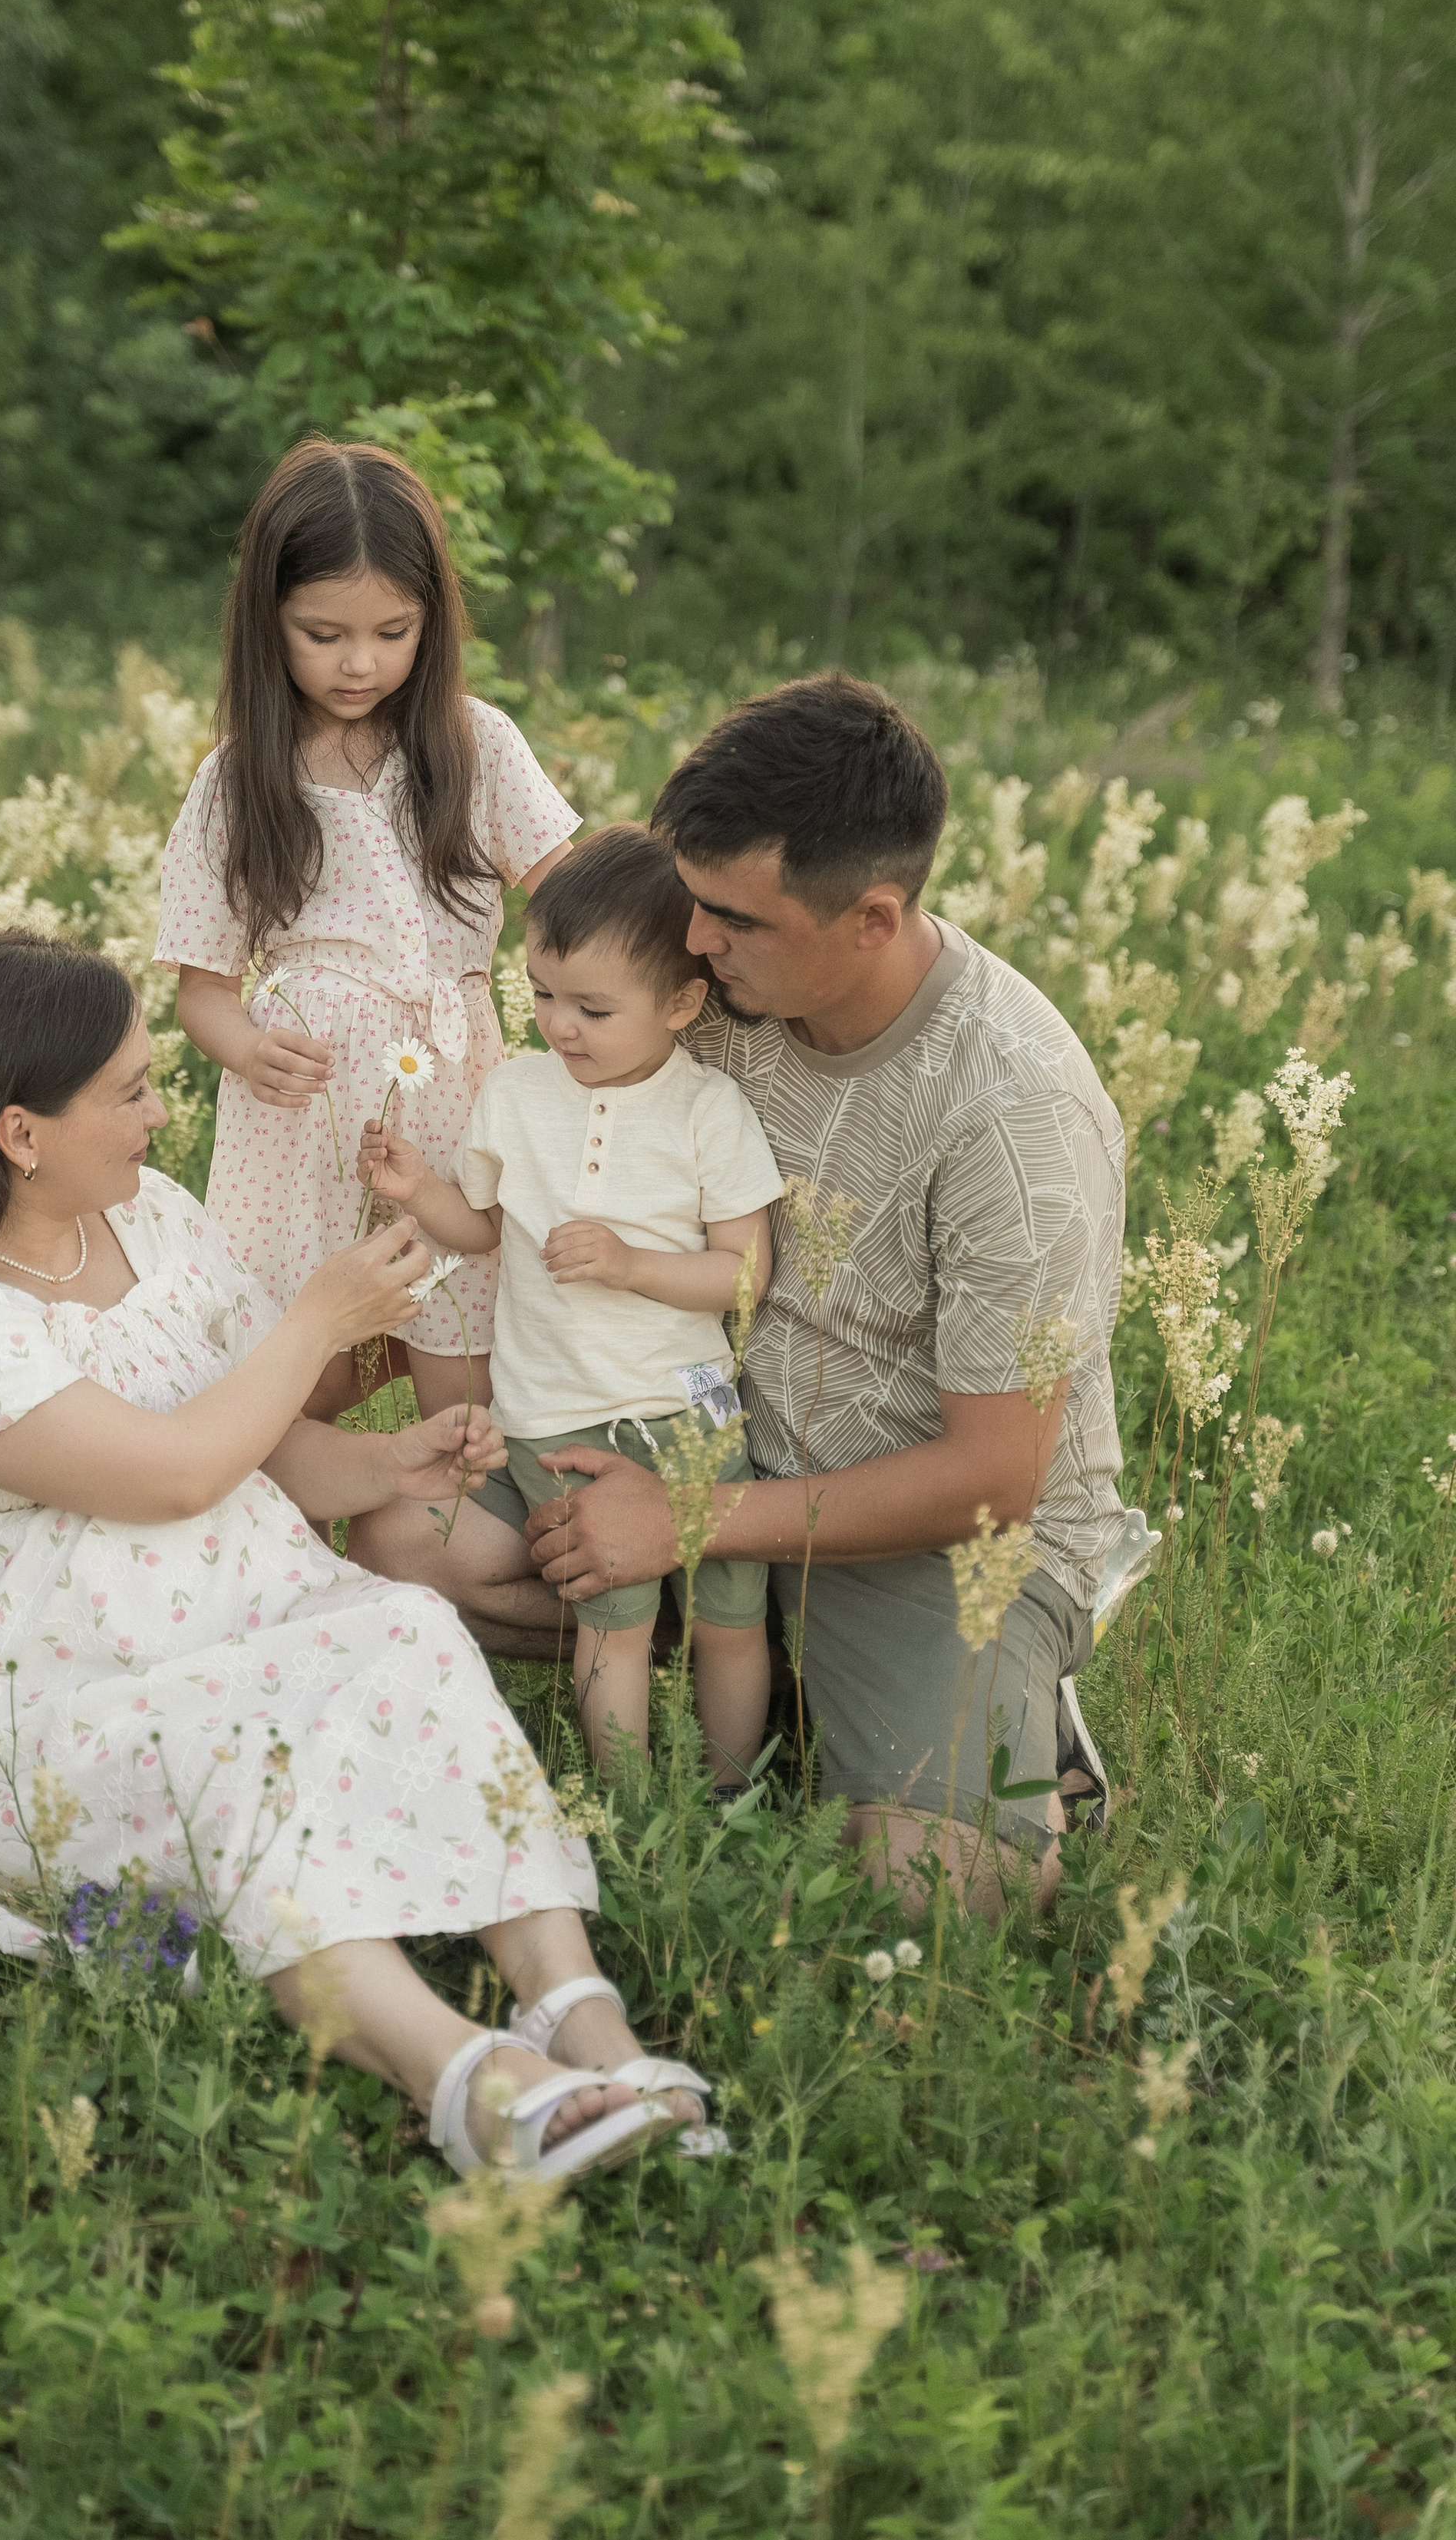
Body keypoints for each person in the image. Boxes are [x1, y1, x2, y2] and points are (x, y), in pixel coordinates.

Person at [0, 930, 714, 2182]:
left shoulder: (152, 1222)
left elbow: (258, 1440)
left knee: (412, 1637)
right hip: (55, 1678)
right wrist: (322, 1317)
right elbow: (171, 1469)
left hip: (247, 1597)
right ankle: (467, 2078)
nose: (160, 1112)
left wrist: (391, 1464)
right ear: (20, 1132)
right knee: (246, 1752)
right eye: (129, 1090)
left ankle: (587, 2023)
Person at [358, 675, 1132, 1920]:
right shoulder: (708, 999)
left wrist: (690, 1522)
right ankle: (755, 1667)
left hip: (915, 1534)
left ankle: (996, 1718)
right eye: (688, 901)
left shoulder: (1018, 1119)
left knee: (945, 1894)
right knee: (404, 1543)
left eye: (731, 919)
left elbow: (995, 1479)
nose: (694, 945)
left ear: (872, 917)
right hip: (668, 1432)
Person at [156, 438, 579, 1425]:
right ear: (268, 622)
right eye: (323, 634)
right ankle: (291, 1553)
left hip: (449, 1100)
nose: (361, 663)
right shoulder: (236, 780)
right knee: (306, 1380)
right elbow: (203, 989)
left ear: (432, 621)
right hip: (299, 1127)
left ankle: (445, 1538)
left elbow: (575, 894)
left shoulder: (475, 745)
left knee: (461, 1369)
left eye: (394, 632)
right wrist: (251, 1050)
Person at [358, 827, 781, 1786]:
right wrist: (418, 1188)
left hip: (689, 1409)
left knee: (729, 1617)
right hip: (558, 1414)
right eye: (542, 994)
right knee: (611, 1621)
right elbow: (480, 1229)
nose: (560, 1025)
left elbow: (745, 1273)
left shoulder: (707, 1110)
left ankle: (729, 1794)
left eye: (593, 1006)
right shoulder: (514, 1094)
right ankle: (632, 1816)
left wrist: (633, 1265)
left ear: (681, 1002)